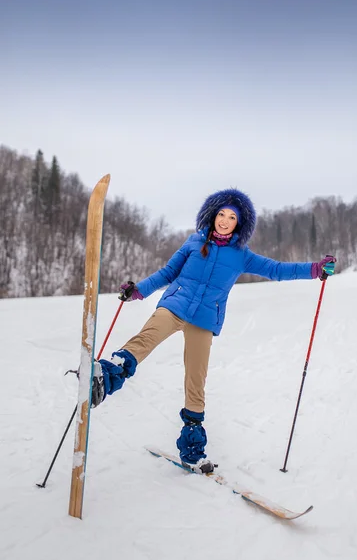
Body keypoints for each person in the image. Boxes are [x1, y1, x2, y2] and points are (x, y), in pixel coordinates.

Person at [91, 188, 336, 473]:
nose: (225, 220)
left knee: (196, 381)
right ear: (212, 214)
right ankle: (107, 376)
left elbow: (277, 269)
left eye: (232, 217)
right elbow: (167, 273)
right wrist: (138, 291)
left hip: (205, 319)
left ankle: (192, 450)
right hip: (176, 304)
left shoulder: (241, 255)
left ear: (239, 224)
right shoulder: (194, 242)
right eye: (221, 214)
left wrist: (315, 270)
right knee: (149, 335)